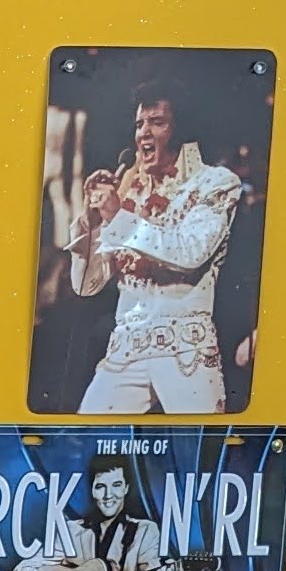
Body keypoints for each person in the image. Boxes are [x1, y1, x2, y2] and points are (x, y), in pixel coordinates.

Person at [68, 92, 244, 416]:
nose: (143, 133)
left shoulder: (216, 183)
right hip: (125, 351)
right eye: (139, 124)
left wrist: (118, 217)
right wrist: (92, 222)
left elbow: (190, 252)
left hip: (185, 351)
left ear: (180, 130)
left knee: (196, 447)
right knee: (86, 439)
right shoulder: (129, 193)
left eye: (157, 122)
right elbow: (85, 286)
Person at [10, 450, 176, 571]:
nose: (108, 495)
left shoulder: (145, 531)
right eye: (100, 487)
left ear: (126, 488)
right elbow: (21, 570)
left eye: (116, 485)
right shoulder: (72, 531)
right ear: (92, 491)